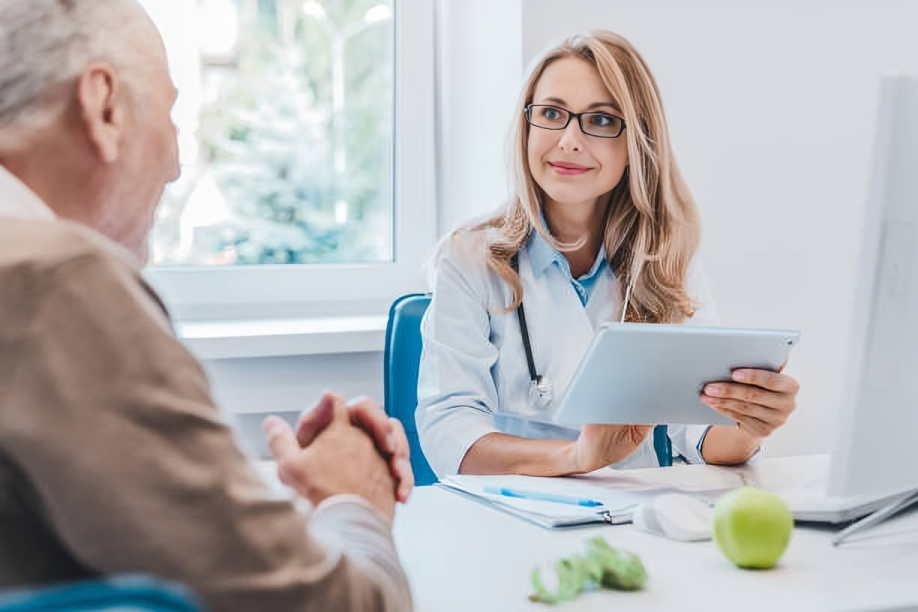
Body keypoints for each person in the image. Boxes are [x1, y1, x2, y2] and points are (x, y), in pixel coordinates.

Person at [0, 1, 414, 610]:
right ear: (103, 105)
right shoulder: (58, 282)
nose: (174, 165)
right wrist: (353, 498)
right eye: (169, 113)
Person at [416, 30, 801, 478]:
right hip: (509, 514)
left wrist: (747, 422)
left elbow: (696, 432)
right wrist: (576, 458)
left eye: (600, 121)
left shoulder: (666, 258)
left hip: (633, 519)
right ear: (526, 127)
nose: (569, 140)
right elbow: (450, 434)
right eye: (552, 113)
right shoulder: (469, 259)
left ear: (637, 143)